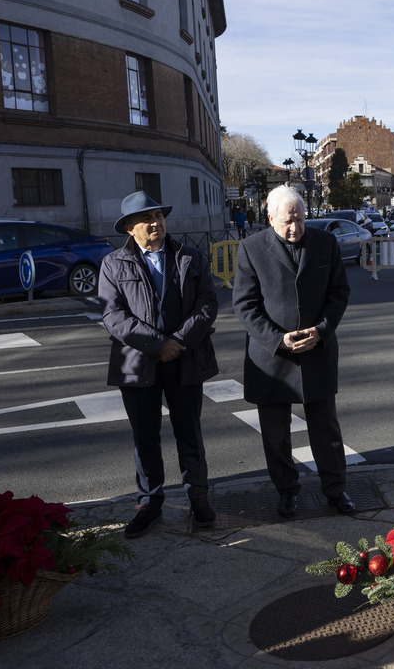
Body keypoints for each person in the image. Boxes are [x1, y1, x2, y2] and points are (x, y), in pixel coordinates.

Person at [99, 191, 219, 538]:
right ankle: (149, 502)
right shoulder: (113, 264)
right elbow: (112, 315)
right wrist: (157, 344)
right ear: (129, 228)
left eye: (159, 216)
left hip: (185, 358)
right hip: (138, 363)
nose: (156, 223)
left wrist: (178, 342)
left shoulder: (190, 257)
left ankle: (198, 496)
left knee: (189, 433)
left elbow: (207, 304)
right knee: (145, 436)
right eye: (147, 218)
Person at [233, 185, 354, 518]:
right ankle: (286, 491)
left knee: (326, 428)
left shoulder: (325, 243)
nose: (295, 228)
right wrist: (278, 339)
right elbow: (245, 305)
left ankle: (336, 489)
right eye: (287, 221)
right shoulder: (250, 248)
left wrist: (323, 330)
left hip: (317, 349)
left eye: (300, 220)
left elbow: (339, 293)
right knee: (275, 433)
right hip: (272, 357)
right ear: (270, 217)